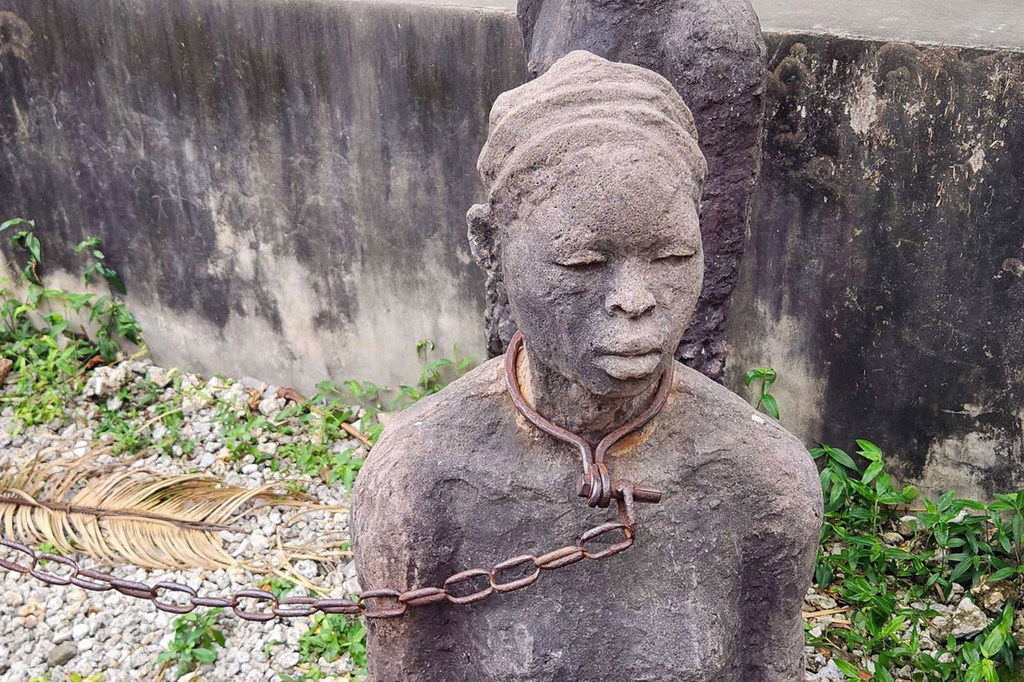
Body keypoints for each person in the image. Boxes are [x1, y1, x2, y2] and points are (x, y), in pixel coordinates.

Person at [352, 51, 822, 681]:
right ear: (489, 246)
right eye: (581, 264)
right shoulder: (419, 484)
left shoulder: (767, 481)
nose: (635, 299)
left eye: (673, 257)